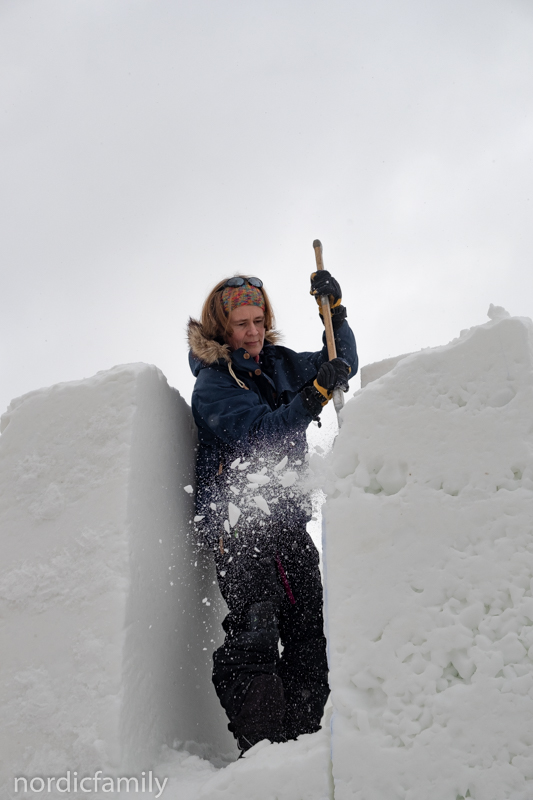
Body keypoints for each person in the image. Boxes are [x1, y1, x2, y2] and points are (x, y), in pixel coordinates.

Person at [187, 270, 358, 754]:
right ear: (221, 328)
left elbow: (340, 363)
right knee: (257, 627)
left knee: (311, 633)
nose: (253, 332)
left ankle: (302, 745)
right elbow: (263, 433)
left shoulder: (279, 364)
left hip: (289, 526)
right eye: (242, 323)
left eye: (259, 320)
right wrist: (312, 398)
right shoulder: (213, 387)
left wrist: (336, 313)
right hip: (239, 529)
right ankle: (260, 748)